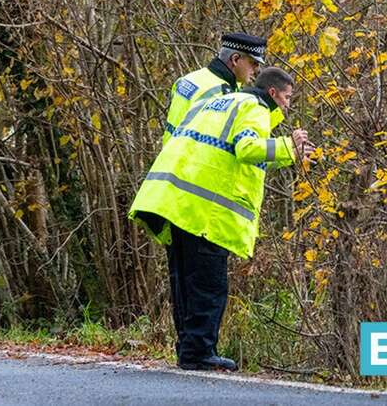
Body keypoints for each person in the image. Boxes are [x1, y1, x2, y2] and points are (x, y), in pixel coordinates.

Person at [129, 67, 315, 371]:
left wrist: (286, 152)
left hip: (176, 202)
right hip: (206, 211)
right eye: (287, 96)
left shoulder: (221, 101)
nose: (288, 104)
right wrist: (287, 146)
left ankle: (188, 350)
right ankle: (200, 352)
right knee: (208, 284)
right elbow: (247, 149)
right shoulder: (253, 108)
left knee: (185, 283)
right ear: (272, 93)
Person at [162, 33, 266, 146]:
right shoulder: (221, 94)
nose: (257, 70)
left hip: (168, 156)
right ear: (235, 59)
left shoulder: (190, 78)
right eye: (253, 63)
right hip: (188, 160)